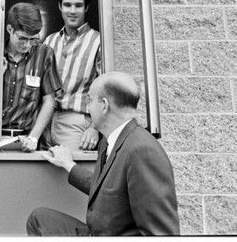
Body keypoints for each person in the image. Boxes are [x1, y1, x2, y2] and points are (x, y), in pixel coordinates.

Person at [26, 71, 180, 236]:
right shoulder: (109, 141)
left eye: (90, 100)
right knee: (39, 219)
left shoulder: (143, 151)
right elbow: (108, 189)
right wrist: (69, 165)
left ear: (104, 105)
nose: (88, 107)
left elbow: (163, 235)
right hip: (97, 234)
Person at [0, 2, 62, 152]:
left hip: (23, 140)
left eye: (33, 39)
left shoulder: (44, 54)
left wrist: (33, 138)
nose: (28, 45)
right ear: (10, 29)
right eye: (22, 38)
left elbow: (49, 101)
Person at [43, 0, 101, 151]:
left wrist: (94, 128)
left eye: (78, 5)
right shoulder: (49, 41)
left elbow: (105, 90)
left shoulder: (98, 41)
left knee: (70, 174)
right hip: (44, 122)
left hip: (75, 123)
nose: (73, 11)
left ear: (86, 8)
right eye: (68, 5)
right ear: (60, 7)